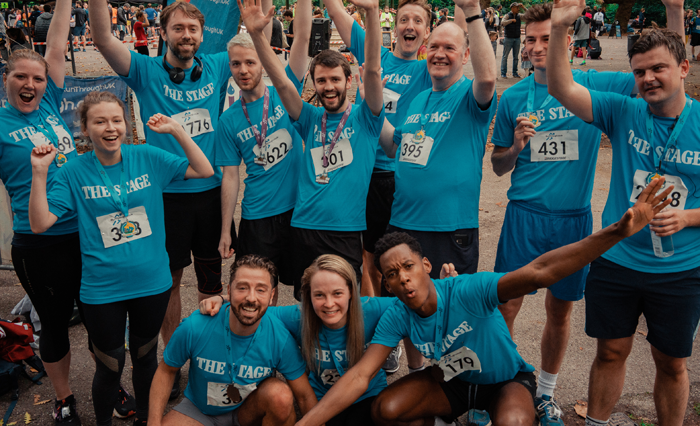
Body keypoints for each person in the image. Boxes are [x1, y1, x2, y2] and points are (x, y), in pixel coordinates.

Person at [295, 175, 673, 426]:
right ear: (387, 284)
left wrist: (616, 232)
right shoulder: (397, 313)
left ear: (425, 265)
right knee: (387, 408)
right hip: (452, 381)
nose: (402, 277)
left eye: (408, 266)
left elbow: (541, 270)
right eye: (391, 274)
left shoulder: (469, 290)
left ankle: (525, 409)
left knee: (510, 422)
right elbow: (361, 375)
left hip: (505, 380)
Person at [545, 0, 697, 426]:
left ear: (684, 69)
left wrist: (686, 217)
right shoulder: (622, 110)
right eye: (639, 71)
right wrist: (558, 31)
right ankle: (596, 422)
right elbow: (560, 87)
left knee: (671, 363)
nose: (648, 78)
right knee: (610, 351)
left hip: (680, 271)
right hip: (618, 261)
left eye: (658, 69)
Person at [89, 0, 237, 401]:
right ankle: (175, 356)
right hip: (164, 196)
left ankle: (209, 350)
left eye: (193, 28)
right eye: (178, 28)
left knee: (211, 281)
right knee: (168, 281)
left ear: (202, 34)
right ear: (164, 33)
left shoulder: (217, 65)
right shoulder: (146, 71)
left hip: (209, 196)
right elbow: (102, 39)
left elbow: (264, 58)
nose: (186, 35)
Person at [490, 1, 639, 425]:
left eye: (546, 38)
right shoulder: (514, 97)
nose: (537, 47)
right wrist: (516, 146)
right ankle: (502, 385)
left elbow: (660, 71)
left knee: (561, 309)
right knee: (506, 306)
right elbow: (499, 166)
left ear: (566, 40)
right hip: (523, 217)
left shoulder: (595, 86)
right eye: (532, 39)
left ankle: (546, 392)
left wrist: (674, 13)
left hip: (574, 221)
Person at [28, 93, 214, 426]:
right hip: (103, 289)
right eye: (100, 121)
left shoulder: (147, 157)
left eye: (117, 120)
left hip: (152, 283)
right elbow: (40, 223)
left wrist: (177, 131)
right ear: (84, 129)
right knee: (109, 365)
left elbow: (204, 169)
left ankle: (145, 420)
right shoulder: (73, 172)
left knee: (146, 359)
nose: (110, 128)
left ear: (126, 125)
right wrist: (39, 173)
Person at [316, 0, 439, 374]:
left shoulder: (430, 69)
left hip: (405, 179)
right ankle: (383, 339)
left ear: (426, 31)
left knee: (404, 266)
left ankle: (414, 345)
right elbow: (335, 10)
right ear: (393, 23)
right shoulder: (377, 56)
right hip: (365, 175)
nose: (410, 26)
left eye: (418, 21)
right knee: (367, 263)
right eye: (404, 18)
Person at [239, 0, 385, 301]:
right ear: (315, 84)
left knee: (344, 308)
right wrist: (256, 35)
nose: (328, 87)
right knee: (307, 305)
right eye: (321, 81)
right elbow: (280, 82)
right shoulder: (309, 117)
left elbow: (373, 69)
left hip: (345, 231)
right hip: (303, 227)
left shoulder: (367, 117)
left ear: (348, 81)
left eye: (335, 79)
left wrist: (372, 15)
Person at [0, 0, 105, 424]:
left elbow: (57, 47)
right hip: (38, 241)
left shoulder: (46, 105)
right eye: (20, 77)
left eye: (37, 78)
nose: (30, 84)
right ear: (6, 78)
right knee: (55, 321)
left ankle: (111, 386)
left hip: (84, 232)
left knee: (102, 315)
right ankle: (64, 399)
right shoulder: (1, 125)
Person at [377, 0, 496, 284]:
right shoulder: (418, 101)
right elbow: (392, 145)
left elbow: (487, 78)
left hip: (449, 231)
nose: (440, 54)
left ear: (465, 55)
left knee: (445, 319)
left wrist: (472, 11)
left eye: (450, 48)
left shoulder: (470, 96)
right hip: (402, 226)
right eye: (434, 47)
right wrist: (372, 105)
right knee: (405, 316)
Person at [201, 254, 414, 426]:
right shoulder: (299, 316)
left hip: (368, 397)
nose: (329, 304)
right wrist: (223, 298)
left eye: (337, 293)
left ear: (351, 291)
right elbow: (255, 306)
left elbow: (415, 301)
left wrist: (445, 281)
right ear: (308, 296)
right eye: (319, 295)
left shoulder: (372, 310)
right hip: (323, 400)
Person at [216, 0, 310, 304]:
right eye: (235, 64)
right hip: (258, 219)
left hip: (300, 211)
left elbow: (299, 38)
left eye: (250, 62)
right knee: (259, 295)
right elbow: (230, 176)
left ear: (263, 63)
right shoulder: (228, 120)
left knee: (306, 293)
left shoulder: (285, 91)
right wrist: (226, 228)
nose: (243, 70)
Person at [148, 255, 318, 426]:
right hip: (200, 411)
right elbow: (166, 371)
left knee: (280, 396)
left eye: (261, 290)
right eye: (242, 288)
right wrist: (153, 423)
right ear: (228, 291)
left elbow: (304, 396)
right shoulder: (195, 326)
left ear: (272, 295)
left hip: (248, 412)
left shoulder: (279, 336)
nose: (251, 298)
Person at [501, 2, 523, 78]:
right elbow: (502, 23)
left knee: (516, 57)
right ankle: (503, 73)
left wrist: (524, 7)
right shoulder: (507, 15)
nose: (518, 9)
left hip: (517, 38)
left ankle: (515, 72)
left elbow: (529, 16)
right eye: (517, 7)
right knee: (505, 56)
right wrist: (511, 20)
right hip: (508, 38)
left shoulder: (519, 16)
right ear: (512, 8)